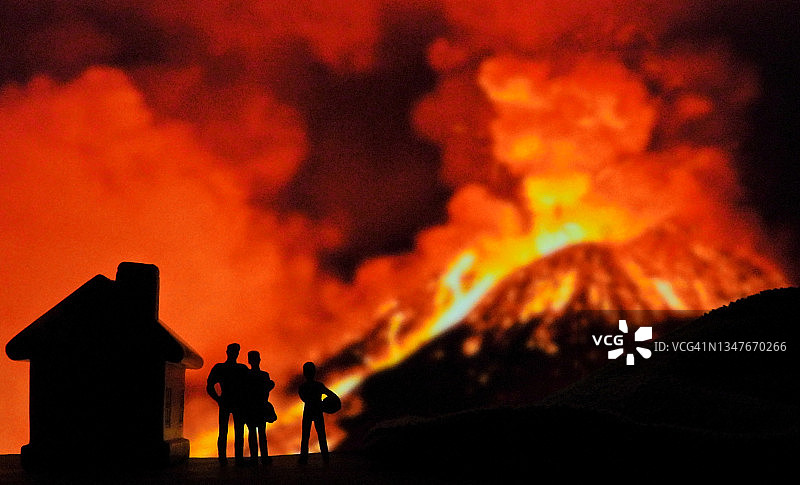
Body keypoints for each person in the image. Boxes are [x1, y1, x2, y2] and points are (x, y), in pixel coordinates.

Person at [206, 343, 248, 466]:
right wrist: (218, 399)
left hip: (228, 402)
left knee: (228, 431)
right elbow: (209, 386)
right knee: (234, 431)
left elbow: (210, 386)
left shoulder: (222, 368)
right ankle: (235, 458)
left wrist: (218, 399)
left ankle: (225, 458)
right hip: (234, 402)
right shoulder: (241, 369)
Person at [298, 361, 333, 464]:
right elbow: (330, 394)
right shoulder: (319, 385)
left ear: (304, 373)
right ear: (314, 372)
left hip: (308, 410)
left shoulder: (302, 387)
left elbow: (303, 398)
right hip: (317, 410)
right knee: (321, 435)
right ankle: (325, 457)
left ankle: (304, 458)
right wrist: (324, 403)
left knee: (305, 435)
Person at [244, 350, 275, 466]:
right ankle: (264, 457)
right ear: (259, 360)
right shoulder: (264, 375)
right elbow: (267, 388)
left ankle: (254, 458)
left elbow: (245, 392)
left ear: (249, 361)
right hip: (261, 406)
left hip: (251, 408)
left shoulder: (247, 376)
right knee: (262, 434)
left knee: (252, 433)